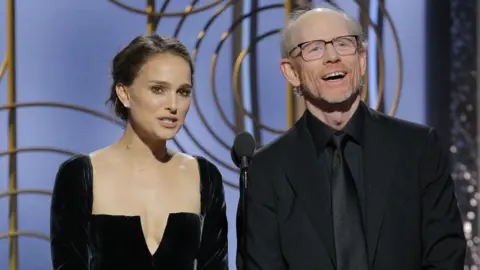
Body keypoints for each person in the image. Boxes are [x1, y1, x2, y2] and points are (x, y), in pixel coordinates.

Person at [237, 5, 466, 270]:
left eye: (343, 44)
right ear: (291, 72)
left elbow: (445, 256)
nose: (332, 56)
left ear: (362, 59)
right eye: (314, 48)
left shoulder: (418, 149)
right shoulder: (266, 171)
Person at [50, 33, 228, 269]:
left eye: (183, 92)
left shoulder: (203, 175)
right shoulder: (80, 175)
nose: (173, 105)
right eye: (158, 89)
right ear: (124, 93)